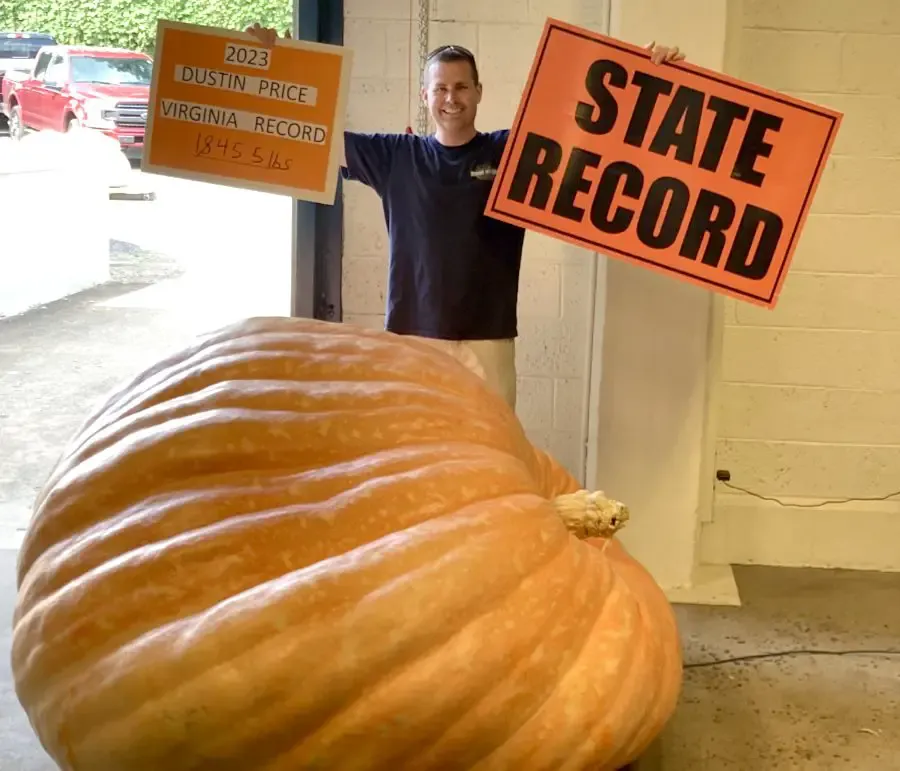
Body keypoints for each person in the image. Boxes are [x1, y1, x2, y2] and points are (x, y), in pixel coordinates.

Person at [246, 23, 685, 409]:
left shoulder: (512, 152)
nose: (450, 98)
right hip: (413, 336)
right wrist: (276, 65)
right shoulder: (396, 156)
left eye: (460, 87)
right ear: (425, 96)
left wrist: (649, 74)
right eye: (440, 88)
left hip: (488, 338)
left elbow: (598, 135)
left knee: (491, 455)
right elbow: (312, 136)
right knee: (414, 454)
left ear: (478, 92)